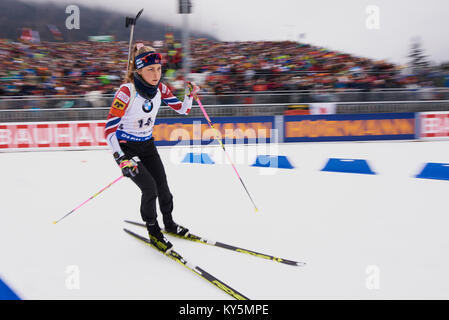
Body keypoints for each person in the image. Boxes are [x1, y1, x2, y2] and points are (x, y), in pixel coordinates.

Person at [104, 43, 200, 252]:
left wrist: (190, 94)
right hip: (126, 148)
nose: (156, 74)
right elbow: (109, 131)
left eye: (158, 69)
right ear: (139, 70)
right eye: (150, 70)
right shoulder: (126, 92)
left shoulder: (161, 89)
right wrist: (121, 159)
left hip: (147, 145)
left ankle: (169, 224)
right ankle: (154, 231)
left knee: (163, 187)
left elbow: (183, 110)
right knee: (149, 188)